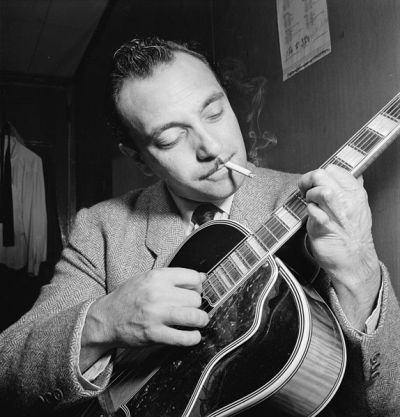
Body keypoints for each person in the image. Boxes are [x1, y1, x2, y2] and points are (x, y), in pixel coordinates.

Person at [0, 37, 399, 417]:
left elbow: (387, 404)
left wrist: (359, 268)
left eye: (214, 112)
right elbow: (9, 369)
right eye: (171, 138)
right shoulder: (102, 229)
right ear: (139, 159)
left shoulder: (320, 209)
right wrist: (104, 321)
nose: (211, 147)